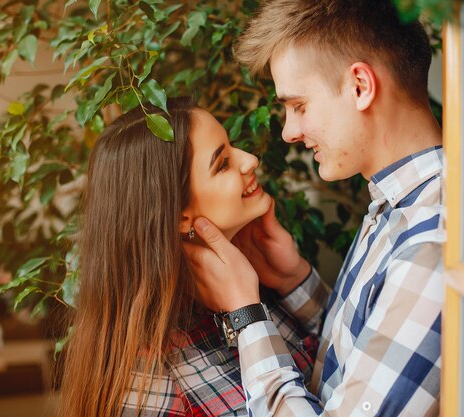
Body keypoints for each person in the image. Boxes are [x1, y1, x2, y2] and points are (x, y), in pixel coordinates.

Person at [183, 0, 445, 416]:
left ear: (360, 86)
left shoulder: (431, 245)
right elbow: (366, 361)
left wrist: (245, 314)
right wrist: (294, 281)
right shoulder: (401, 205)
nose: (288, 131)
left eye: (299, 106)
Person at [60, 98, 317, 417]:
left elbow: (360, 375)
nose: (250, 159)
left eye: (232, 145)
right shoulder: (145, 380)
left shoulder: (261, 284)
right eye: (222, 163)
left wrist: (296, 281)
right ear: (180, 217)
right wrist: (245, 315)